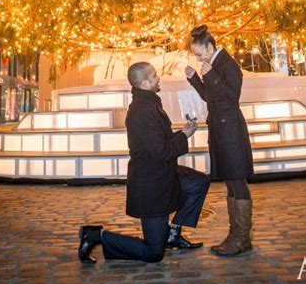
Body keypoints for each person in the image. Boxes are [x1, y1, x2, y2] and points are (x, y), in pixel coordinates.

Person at [78, 61, 210, 264]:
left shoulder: (149, 104)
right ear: (146, 83)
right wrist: (184, 135)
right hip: (151, 187)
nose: (159, 78)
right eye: (155, 76)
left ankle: (172, 234)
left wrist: (183, 133)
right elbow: (162, 151)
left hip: (164, 174)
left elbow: (159, 145)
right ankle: (96, 236)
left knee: (198, 182)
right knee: (154, 253)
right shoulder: (143, 111)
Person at [185, 25, 253, 257]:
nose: (198, 58)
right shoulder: (213, 65)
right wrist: (195, 79)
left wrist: (210, 74)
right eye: (195, 55)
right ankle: (236, 235)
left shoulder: (227, 63)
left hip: (231, 129)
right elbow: (210, 95)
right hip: (220, 129)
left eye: (199, 53)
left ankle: (241, 237)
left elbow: (232, 96)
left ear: (210, 46)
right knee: (230, 182)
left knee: (237, 180)